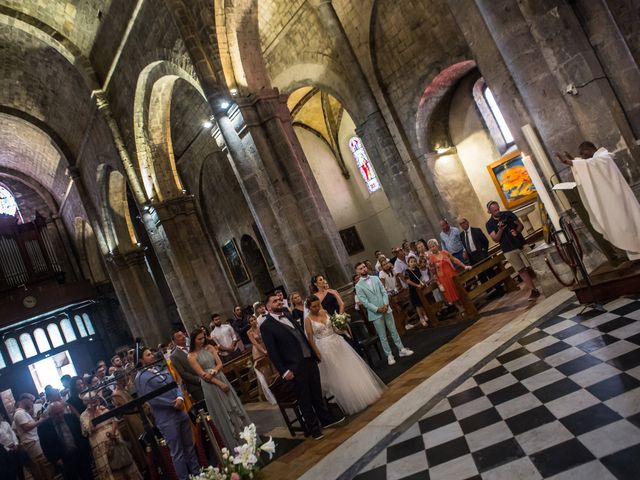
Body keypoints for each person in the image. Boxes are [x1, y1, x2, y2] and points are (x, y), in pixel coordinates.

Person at [260, 292, 342, 439]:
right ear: (268, 306)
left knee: (316, 392)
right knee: (304, 398)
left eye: (279, 300)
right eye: (274, 301)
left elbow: (301, 336)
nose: (279, 302)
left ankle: (325, 419)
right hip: (294, 367)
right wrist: (284, 371)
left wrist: (313, 354)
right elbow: (273, 352)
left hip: (308, 359)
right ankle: (314, 429)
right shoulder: (267, 326)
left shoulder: (287, 314)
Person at [557, 141, 640, 259]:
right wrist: (574, 161)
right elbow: (587, 164)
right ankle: (634, 254)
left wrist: (571, 162)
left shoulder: (603, 157)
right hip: (613, 201)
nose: (583, 156)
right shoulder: (594, 161)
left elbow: (591, 164)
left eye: (583, 153)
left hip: (620, 200)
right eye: (580, 155)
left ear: (590, 149)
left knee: (629, 224)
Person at [304, 295, 385, 415]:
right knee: (338, 374)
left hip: (337, 342)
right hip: (324, 347)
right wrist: (316, 352)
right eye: (314, 307)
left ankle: (361, 393)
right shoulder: (308, 319)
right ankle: (348, 400)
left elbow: (334, 327)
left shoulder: (324, 312)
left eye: (318, 305)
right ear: (308, 307)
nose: (317, 308)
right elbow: (310, 338)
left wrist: (343, 331)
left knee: (349, 368)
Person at [134, 348, 200, 480]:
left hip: (180, 410)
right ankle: (184, 478)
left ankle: (198, 474)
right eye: (148, 355)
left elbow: (175, 384)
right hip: (166, 417)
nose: (152, 355)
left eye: (151, 353)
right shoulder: (140, 377)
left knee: (189, 447)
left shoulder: (158, 368)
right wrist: (173, 403)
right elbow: (152, 398)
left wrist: (180, 398)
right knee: (177, 452)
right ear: (141, 360)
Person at [187, 328, 252, 450]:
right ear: (193, 340)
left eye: (203, 337)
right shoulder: (191, 356)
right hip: (211, 385)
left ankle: (247, 439)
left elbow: (220, 364)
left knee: (232, 406)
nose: (202, 340)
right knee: (222, 410)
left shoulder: (210, 348)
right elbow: (203, 375)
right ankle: (235, 445)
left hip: (219, 376)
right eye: (199, 339)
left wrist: (214, 371)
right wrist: (219, 383)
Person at [354, 262, 414, 365]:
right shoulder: (358, 286)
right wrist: (377, 309)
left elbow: (384, 292)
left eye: (364, 267)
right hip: (375, 313)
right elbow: (364, 302)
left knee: (394, 330)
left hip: (386, 308)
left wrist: (386, 304)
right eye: (360, 268)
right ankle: (389, 355)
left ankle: (401, 349)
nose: (363, 269)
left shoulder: (375, 278)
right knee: (382, 336)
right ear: (357, 271)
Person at [485, 201, 540, 301]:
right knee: (521, 270)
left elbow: (520, 225)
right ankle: (534, 290)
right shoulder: (489, 224)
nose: (498, 211)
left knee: (534, 262)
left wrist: (517, 231)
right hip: (508, 249)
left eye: (498, 209)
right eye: (495, 210)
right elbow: (496, 239)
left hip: (521, 244)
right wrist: (500, 229)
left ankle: (545, 281)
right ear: (490, 212)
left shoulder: (508, 214)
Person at [80, 393, 141, 480]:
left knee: (124, 462)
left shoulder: (103, 408)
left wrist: (112, 433)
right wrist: (92, 413)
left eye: (95, 399)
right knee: (109, 470)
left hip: (114, 440)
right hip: (101, 447)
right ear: (86, 403)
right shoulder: (84, 416)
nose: (94, 401)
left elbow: (114, 420)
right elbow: (89, 430)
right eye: (92, 400)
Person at [38, 401, 93, 480]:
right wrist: (55, 460)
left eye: (61, 412)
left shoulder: (72, 418)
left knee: (88, 476)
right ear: (50, 415)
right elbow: (45, 447)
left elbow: (82, 435)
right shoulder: (43, 428)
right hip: (64, 460)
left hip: (80, 453)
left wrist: (87, 450)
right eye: (56, 414)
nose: (60, 415)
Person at [458, 216, 504, 297]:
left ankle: (499, 290)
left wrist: (484, 252)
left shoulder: (476, 230)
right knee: (481, 276)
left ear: (467, 222)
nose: (463, 225)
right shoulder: (461, 235)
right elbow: (465, 246)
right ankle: (490, 293)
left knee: (490, 273)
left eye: (464, 222)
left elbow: (485, 242)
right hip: (472, 258)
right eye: (461, 224)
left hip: (481, 255)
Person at [427, 239, 472, 313]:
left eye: (433, 246)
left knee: (458, 290)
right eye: (430, 247)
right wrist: (439, 284)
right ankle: (460, 308)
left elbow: (454, 259)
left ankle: (466, 305)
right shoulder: (431, 259)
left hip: (452, 275)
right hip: (443, 279)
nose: (432, 248)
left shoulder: (444, 252)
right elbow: (434, 273)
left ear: (437, 245)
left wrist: (464, 266)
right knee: (450, 294)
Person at [12, 394, 48, 480]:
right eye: (31, 400)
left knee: (43, 465)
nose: (32, 403)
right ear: (25, 399)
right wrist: (41, 420)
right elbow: (27, 427)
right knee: (43, 466)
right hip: (31, 442)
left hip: (33, 441)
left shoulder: (23, 412)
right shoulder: (19, 413)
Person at [170, 330, 205, 403]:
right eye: (179, 336)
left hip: (207, 377)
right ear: (174, 341)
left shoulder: (192, 347)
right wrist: (199, 380)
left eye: (183, 335)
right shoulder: (174, 356)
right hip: (196, 386)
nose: (183, 337)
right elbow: (183, 373)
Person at [1, 411, 27, 480]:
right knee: (12, 471)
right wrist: (8, 449)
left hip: (15, 447)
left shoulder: (5, 423)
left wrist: (16, 444)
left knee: (20, 467)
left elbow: (12, 434)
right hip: (6, 452)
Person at [404, 256, 429, 327]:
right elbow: (408, 281)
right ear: (408, 263)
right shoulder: (407, 271)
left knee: (422, 302)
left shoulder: (417, 269)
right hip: (413, 290)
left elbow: (420, 277)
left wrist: (422, 283)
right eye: (411, 262)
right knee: (417, 305)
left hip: (420, 289)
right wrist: (416, 285)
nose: (413, 263)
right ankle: (421, 318)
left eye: (414, 261)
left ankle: (425, 315)